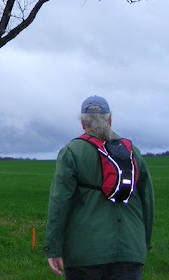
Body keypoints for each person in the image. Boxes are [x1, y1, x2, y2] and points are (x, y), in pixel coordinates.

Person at [44, 95, 155, 279]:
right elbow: (147, 202)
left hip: (85, 254)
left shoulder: (72, 152)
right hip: (130, 251)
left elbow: (59, 203)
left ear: (83, 123)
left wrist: (53, 248)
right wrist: (142, 243)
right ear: (110, 120)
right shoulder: (133, 152)